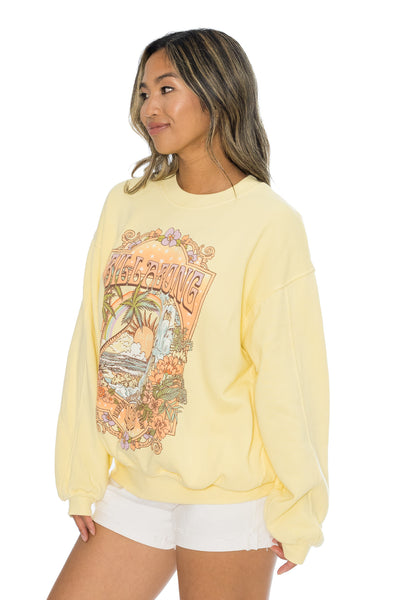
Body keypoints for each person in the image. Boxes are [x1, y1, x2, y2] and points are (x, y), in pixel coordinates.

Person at [48, 28, 330, 600]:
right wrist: (82, 475)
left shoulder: (269, 222)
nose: (149, 107)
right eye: (143, 92)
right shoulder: (125, 204)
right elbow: (90, 342)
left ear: (216, 90)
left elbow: (289, 375)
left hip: (229, 501)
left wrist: (299, 507)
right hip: (133, 486)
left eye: (166, 89)